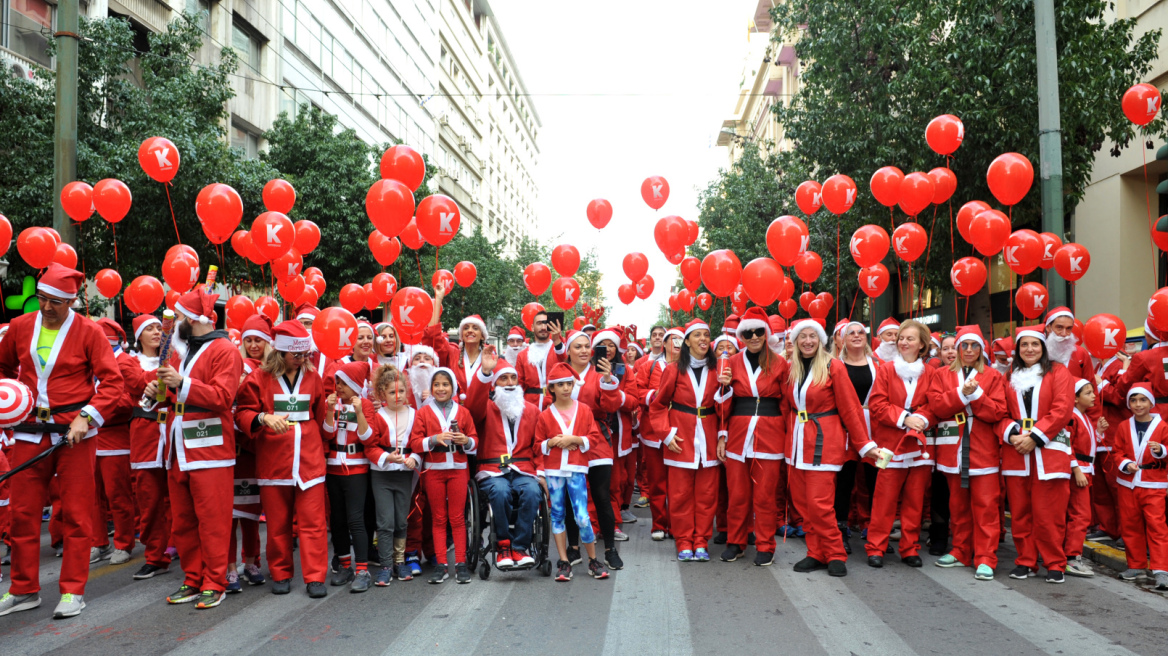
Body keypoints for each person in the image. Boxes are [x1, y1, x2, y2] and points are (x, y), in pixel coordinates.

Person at [0, 265, 125, 619]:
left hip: (74, 434)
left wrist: (87, 416)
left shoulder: (89, 331)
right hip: (29, 430)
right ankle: (23, 589)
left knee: (77, 514)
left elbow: (112, 383)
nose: (46, 306)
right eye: (42, 298)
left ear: (71, 301)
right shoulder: (20, 326)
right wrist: (10, 400)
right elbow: (3, 368)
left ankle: (73, 591)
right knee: (22, 514)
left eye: (55, 301)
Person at [151, 285, 243, 609]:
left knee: (213, 521)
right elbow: (171, 393)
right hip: (178, 447)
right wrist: (158, 391)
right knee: (183, 520)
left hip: (210, 448)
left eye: (178, 316)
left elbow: (223, 397)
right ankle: (193, 577)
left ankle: (215, 582)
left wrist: (182, 383)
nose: (173, 322)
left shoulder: (226, 350)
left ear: (192, 318)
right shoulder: (181, 350)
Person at [235, 320, 329, 598]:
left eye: (304, 354)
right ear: (280, 352)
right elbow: (242, 414)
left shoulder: (313, 377)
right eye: (295, 354)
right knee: (277, 523)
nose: (300, 359)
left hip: (309, 460)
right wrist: (263, 418)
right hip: (273, 460)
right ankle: (281, 572)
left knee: (313, 523)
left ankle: (315, 577)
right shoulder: (258, 378)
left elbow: (319, 415)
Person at [782, 319, 880, 577]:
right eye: (802, 336)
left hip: (823, 443)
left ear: (820, 340)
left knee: (820, 504)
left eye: (812, 336)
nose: (807, 341)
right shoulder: (791, 368)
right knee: (804, 505)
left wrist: (864, 444)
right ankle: (815, 552)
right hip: (797, 445)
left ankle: (835, 553)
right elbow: (786, 407)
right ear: (795, 341)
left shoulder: (833, 366)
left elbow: (850, 407)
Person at [926, 325, 1006, 581]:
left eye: (974, 346)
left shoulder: (993, 376)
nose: (969, 350)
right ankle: (961, 550)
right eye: (964, 345)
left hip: (983, 447)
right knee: (957, 505)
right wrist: (962, 394)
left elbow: (997, 412)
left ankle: (986, 557)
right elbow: (937, 406)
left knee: (986, 506)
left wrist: (977, 395)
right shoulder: (941, 374)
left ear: (982, 349)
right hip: (952, 448)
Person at [997, 325, 1075, 584]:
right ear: (1017, 349)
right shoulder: (1009, 375)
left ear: (1043, 347)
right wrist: (1012, 434)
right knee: (1020, 512)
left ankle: (1055, 562)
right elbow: (1000, 412)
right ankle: (1026, 560)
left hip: (1049, 450)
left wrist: (1035, 438)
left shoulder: (1059, 371)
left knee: (1049, 513)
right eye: (1024, 344)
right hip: (1016, 449)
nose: (1029, 349)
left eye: (1035, 344)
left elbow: (1062, 409)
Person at [715, 307, 788, 566]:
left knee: (765, 496)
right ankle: (736, 542)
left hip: (770, 433)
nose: (754, 337)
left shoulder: (781, 364)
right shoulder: (731, 363)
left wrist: (788, 437)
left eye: (759, 332)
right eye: (748, 333)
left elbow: (787, 403)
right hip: (737, 432)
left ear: (766, 334)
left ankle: (765, 544)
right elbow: (723, 404)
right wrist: (722, 434)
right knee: (737, 494)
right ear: (741, 336)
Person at [865, 320, 936, 569]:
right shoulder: (886, 370)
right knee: (884, 500)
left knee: (915, 500)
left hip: (920, 446)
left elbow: (935, 404)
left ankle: (910, 547)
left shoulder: (931, 373)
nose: (903, 342)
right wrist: (905, 418)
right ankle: (876, 547)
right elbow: (877, 404)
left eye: (910, 339)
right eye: (901, 338)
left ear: (922, 345)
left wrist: (922, 418)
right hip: (889, 445)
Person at [650, 319, 723, 562]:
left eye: (706, 335)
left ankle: (701, 541)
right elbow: (658, 405)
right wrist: (666, 433)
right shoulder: (673, 370)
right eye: (697, 335)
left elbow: (725, 409)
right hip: (680, 439)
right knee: (680, 495)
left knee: (707, 495)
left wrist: (722, 434)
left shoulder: (717, 370)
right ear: (687, 341)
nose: (703, 339)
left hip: (709, 439)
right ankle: (683, 541)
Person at [555, 330, 624, 570]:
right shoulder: (560, 374)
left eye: (587, 346)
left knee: (602, 495)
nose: (584, 350)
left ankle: (610, 550)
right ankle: (573, 548)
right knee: (570, 497)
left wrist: (608, 381)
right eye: (578, 347)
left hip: (597, 439)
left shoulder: (600, 374)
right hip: (568, 441)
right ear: (568, 351)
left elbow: (611, 406)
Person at [467, 353, 542, 570]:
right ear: (493, 384)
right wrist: (485, 372)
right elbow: (471, 405)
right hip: (491, 469)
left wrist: (542, 473)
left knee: (532, 492)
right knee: (500, 492)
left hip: (523, 469)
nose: (509, 383)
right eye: (503, 378)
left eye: (513, 378)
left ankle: (520, 547)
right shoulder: (484, 408)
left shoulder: (532, 411)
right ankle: (503, 545)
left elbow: (539, 446)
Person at [538, 362, 609, 581]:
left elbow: (594, 437)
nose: (566, 388)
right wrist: (552, 442)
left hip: (577, 469)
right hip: (554, 471)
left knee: (582, 516)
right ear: (551, 388)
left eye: (569, 383)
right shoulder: (545, 415)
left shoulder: (584, 410)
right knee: (557, 514)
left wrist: (574, 439)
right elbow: (537, 445)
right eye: (560, 385)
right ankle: (564, 561)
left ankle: (593, 560)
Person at [409, 367, 477, 584]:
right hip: (434, 470)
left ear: (453, 387)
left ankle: (461, 563)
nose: (441, 388)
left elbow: (475, 441)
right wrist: (433, 439)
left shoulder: (463, 412)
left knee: (457, 518)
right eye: (436, 384)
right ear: (431, 388)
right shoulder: (423, 413)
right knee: (438, 518)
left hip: (458, 468)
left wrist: (466, 441)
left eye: (445, 384)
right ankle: (441, 564)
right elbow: (414, 443)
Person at [125, 314, 173, 581]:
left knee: (178, 497)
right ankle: (155, 556)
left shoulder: (178, 358)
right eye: (150, 329)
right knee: (149, 499)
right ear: (138, 337)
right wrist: (167, 369)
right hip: (145, 435)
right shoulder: (127, 361)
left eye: (159, 327)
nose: (156, 332)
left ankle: (178, 545)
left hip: (175, 431)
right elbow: (136, 382)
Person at [364, 365, 420, 585]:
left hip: (405, 473)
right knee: (385, 520)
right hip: (382, 474)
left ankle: (399, 561)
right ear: (382, 394)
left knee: (401, 520)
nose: (398, 396)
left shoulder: (414, 414)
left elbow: (418, 441)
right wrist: (386, 457)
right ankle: (386, 564)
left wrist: (414, 457)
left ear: (407, 392)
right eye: (392, 392)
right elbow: (370, 446)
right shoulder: (378, 416)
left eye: (401, 391)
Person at [323, 361, 375, 591]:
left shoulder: (365, 404)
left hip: (357, 469)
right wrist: (328, 411)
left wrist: (359, 412)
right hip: (334, 467)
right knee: (337, 519)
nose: (339, 387)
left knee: (355, 519)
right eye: (338, 382)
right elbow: (327, 434)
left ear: (355, 385)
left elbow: (368, 437)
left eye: (344, 383)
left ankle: (362, 569)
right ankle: (345, 565)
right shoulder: (332, 404)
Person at [230, 313, 273, 592]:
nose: (254, 345)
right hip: (228, 451)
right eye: (249, 340)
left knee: (250, 513)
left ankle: (251, 561)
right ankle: (229, 567)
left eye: (259, 339)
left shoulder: (271, 371)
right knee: (228, 515)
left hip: (253, 451)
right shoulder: (234, 363)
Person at [91, 318, 138, 566]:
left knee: (118, 495)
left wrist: (93, 403)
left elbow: (129, 401)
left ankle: (123, 543)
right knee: (92, 496)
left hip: (115, 438)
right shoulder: (91, 362)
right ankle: (99, 542)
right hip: (90, 437)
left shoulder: (125, 362)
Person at [1112, 386, 1168, 589]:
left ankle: (1161, 570)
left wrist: (1161, 450)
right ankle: (1136, 565)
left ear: (1151, 402)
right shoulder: (1123, 426)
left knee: (1157, 527)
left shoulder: (1163, 426)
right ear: (1129, 403)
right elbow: (1117, 451)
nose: (1138, 404)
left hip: (1154, 484)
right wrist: (1126, 464)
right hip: (1128, 483)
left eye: (1143, 400)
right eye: (1133, 400)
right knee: (1130, 525)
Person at [592, 327, 639, 545]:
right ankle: (593, 525)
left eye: (612, 345)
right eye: (603, 345)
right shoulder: (588, 369)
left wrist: (614, 391)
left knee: (615, 482)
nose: (608, 349)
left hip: (617, 433)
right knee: (591, 483)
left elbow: (634, 401)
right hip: (592, 433)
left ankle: (613, 524)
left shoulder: (625, 370)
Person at [835, 320, 879, 555]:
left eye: (860, 332)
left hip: (874, 426)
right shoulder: (835, 365)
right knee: (844, 481)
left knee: (875, 480)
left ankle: (875, 531)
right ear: (842, 339)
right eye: (850, 332)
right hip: (844, 428)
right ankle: (840, 530)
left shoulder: (878, 365)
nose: (856, 335)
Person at [636, 327, 678, 541]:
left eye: (681, 340)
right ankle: (659, 524)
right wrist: (655, 395)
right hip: (653, 433)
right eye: (673, 339)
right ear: (665, 343)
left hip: (679, 433)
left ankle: (677, 524)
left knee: (679, 484)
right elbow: (637, 391)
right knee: (657, 481)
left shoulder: (689, 368)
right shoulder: (649, 366)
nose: (677, 344)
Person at [1065, 379, 1098, 578]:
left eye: (1093, 392)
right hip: (1079, 470)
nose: (1093, 396)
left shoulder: (1083, 416)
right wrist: (1076, 469)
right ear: (1075, 398)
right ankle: (1072, 557)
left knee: (1079, 514)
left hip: (1085, 469)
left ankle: (1070, 554)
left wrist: (1099, 432)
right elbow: (1067, 444)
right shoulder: (1072, 417)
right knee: (1080, 514)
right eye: (1088, 393)